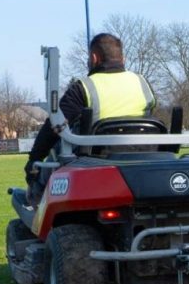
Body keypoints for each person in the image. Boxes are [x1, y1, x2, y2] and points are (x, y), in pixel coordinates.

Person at [23, 32, 156, 199]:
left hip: (96, 159)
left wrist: (34, 160)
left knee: (57, 151)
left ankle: (38, 204)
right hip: (144, 155)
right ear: (123, 59)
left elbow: (54, 126)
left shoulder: (84, 87)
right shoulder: (142, 83)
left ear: (94, 58)